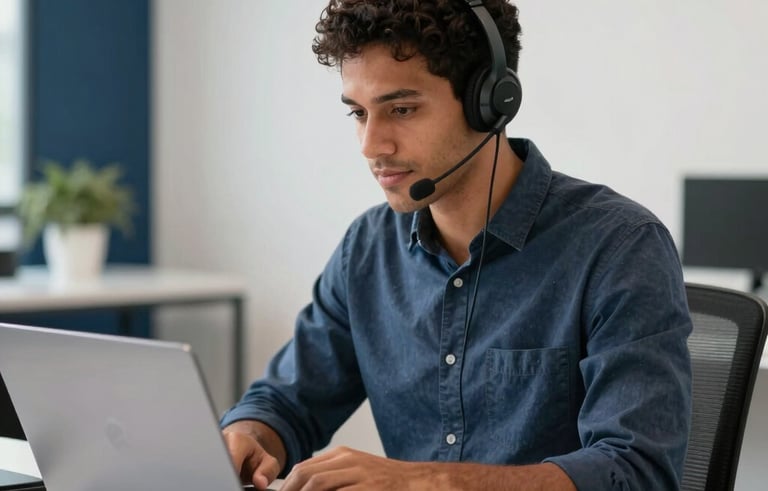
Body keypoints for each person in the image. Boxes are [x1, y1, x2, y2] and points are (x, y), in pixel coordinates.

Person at [220, 1, 692, 489]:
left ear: (490, 101)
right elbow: (287, 400)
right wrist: (250, 434)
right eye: (359, 113)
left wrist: (429, 482)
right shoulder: (367, 249)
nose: (370, 144)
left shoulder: (619, 247)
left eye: (401, 109)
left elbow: (636, 473)